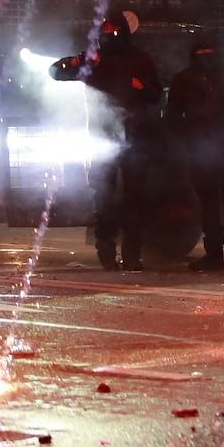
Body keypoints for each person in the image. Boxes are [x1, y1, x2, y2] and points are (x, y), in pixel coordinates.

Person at [50, 14, 163, 271]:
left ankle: (132, 256)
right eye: (106, 30)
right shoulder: (94, 60)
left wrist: (139, 86)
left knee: (134, 200)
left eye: (114, 30)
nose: (110, 34)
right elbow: (55, 72)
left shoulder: (140, 59)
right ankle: (107, 256)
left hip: (134, 140)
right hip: (103, 139)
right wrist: (79, 61)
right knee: (104, 201)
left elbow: (156, 94)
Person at [165, 36, 224, 271]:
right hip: (207, 149)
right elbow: (173, 115)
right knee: (212, 204)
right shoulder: (186, 79)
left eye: (209, 51)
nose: (205, 56)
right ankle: (217, 254)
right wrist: (190, 136)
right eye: (201, 51)